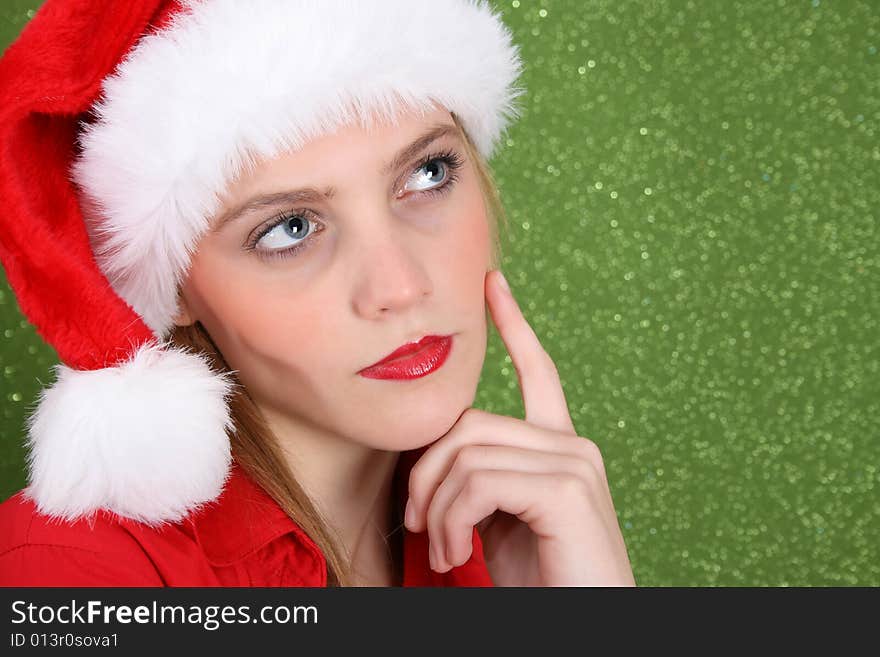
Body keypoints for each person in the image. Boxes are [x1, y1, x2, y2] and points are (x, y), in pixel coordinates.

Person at [0, 0, 636, 587]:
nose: (401, 286)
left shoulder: (504, 539)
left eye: (427, 173)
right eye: (289, 229)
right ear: (176, 290)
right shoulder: (71, 567)